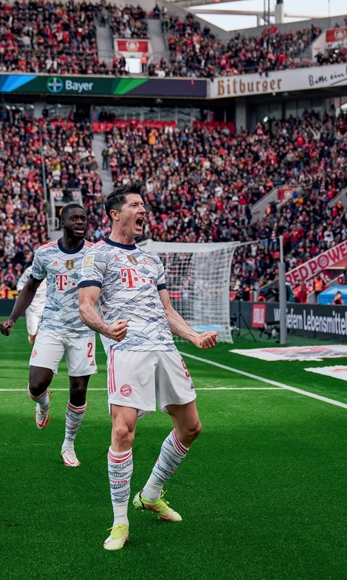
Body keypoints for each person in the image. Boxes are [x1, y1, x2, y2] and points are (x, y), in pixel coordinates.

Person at [78, 182, 218, 551]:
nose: (143, 210)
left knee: (191, 428)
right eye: (136, 205)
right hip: (127, 352)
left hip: (165, 349)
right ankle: (120, 522)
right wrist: (107, 329)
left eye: (144, 205)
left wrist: (193, 336)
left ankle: (151, 493)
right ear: (114, 213)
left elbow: (167, 311)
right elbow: (86, 305)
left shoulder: (152, 260)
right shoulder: (97, 255)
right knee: (123, 432)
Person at [0, 204, 95, 468]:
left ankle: (68, 445)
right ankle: (43, 405)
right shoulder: (45, 253)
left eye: (83, 218)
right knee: (36, 385)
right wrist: (12, 318)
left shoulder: (95, 253)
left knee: (78, 392)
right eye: (74, 218)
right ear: (62, 222)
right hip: (52, 326)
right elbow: (30, 287)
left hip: (83, 330)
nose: (80, 222)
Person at [15, 264, 47, 345]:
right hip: (32, 307)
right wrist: (24, 296)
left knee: (47, 334)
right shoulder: (29, 271)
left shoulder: (50, 268)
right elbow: (20, 284)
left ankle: (41, 353)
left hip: (46, 306)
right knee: (33, 336)